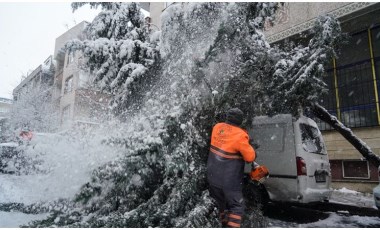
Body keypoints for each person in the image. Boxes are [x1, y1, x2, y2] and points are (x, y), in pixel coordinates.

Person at [207, 108, 256, 228]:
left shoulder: (217, 127)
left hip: (212, 177)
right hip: (229, 181)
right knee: (237, 207)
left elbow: (226, 144)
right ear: (240, 121)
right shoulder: (240, 135)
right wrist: (250, 146)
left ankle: (222, 224)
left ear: (227, 117)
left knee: (221, 205)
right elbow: (250, 157)